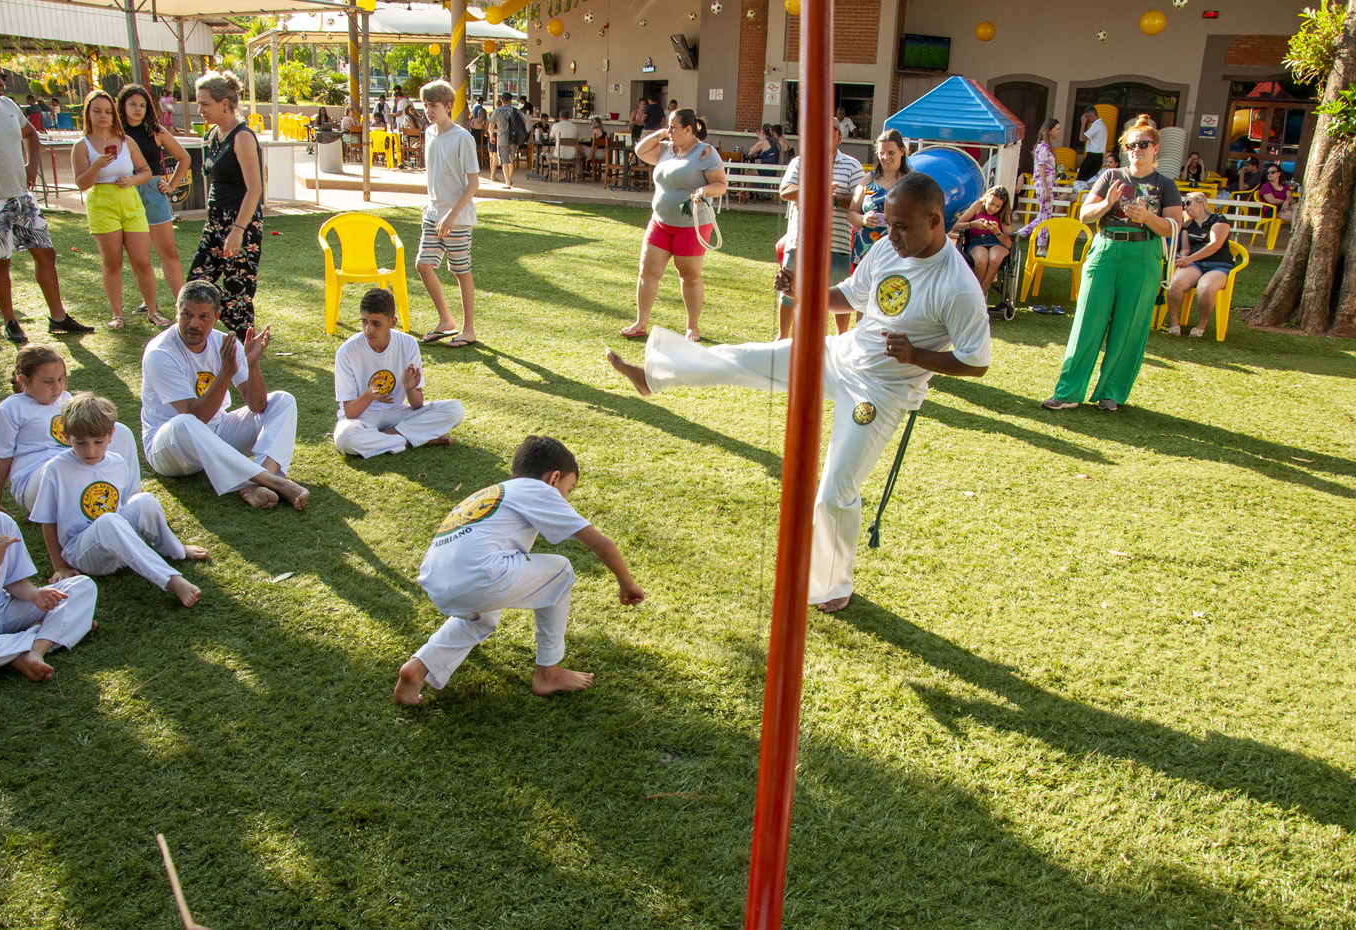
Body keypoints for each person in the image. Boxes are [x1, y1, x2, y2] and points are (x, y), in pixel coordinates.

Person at [607, 172, 991, 613]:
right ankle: (653, 375)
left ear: (935, 221)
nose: (891, 236)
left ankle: (832, 584)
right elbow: (850, 295)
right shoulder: (888, 249)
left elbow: (976, 362)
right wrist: (803, 291)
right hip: (840, 354)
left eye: (901, 227)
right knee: (746, 356)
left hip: (881, 391)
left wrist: (917, 355)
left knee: (834, 490)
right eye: (887, 224)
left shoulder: (958, 286)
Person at [394, 435, 644, 704]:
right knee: (561, 572)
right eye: (569, 490)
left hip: (437, 579)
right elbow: (602, 544)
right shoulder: (540, 491)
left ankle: (418, 667)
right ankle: (548, 673)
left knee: (483, 619)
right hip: (479, 576)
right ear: (554, 478)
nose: (566, 498)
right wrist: (626, 583)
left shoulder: (492, 492)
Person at [1042, 114, 1184, 412]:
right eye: (1131, 145)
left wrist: (1147, 217)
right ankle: (1068, 392)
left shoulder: (1165, 184)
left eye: (1143, 144)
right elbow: (1085, 215)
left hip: (1144, 254)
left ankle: (1112, 392)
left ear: (1156, 148)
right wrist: (1108, 203)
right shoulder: (1110, 176)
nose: (1137, 149)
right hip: (1106, 249)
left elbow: (1173, 227)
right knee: (1087, 322)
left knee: (1130, 326)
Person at [140, 280, 307, 510]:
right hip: (171, 448)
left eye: (203, 317)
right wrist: (226, 373)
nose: (193, 324)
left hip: (216, 432)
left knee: (283, 401)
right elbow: (195, 417)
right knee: (184, 422)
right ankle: (272, 481)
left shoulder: (224, 342)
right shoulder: (160, 353)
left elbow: (257, 406)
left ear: (216, 317)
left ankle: (258, 483)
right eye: (187, 314)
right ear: (177, 311)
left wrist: (252, 365)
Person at [30, 393, 206, 607]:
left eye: (98, 441)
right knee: (108, 521)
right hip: (82, 552)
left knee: (144, 501)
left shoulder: (117, 462)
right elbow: (47, 522)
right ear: (66, 437)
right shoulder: (55, 469)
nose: (90, 450)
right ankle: (172, 580)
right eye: (81, 443)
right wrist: (60, 566)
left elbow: (124, 507)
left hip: (115, 542)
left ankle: (174, 549)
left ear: (110, 435)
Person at [0, 51, 95, 346]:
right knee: (0, 261)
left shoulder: (8, 106)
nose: (1, 81)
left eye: (2, 75)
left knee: (46, 254)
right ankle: (10, 321)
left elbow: (30, 134)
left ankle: (58, 318)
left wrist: (32, 165)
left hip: (22, 196)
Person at [0, 442, 97, 682]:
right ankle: (45, 635)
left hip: (3, 610)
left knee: (81, 587)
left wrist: (35, 595)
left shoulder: (3, 523)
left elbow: (13, 580)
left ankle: (34, 651)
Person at [619, 108, 727, 342]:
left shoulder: (706, 153)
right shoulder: (666, 149)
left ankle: (692, 328)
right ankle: (641, 323)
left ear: (688, 129)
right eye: (667, 126)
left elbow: (721, 184)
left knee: (689, 276)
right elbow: (640, 150)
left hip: (691, 225)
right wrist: (660, 134)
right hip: (660, 222)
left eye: (672, 127)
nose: (669, 131)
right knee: (647, 272)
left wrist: (704, 190)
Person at [0, 345, 140, 511]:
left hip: (75, 463)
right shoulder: (11, 408)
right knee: (62, 464)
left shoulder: (66, 399)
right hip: (36, 479)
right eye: (48, 382)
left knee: (120, 431)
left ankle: (130, 501)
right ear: (24, 380)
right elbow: (1, 458)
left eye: (60, 379)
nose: (57, 387)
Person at [71, 89, 165, 330]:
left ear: (114, 114)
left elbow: (146, 172)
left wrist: (132, 179)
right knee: (112, 263)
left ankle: (152, 311)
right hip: (102, 203)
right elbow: (81, 183)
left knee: (142, 262)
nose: (103, 116)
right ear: (88, 114)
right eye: (97, 111)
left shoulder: (126, 141)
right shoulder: (82, 145)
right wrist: (97, 166)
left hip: (130, 202)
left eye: (107, 111)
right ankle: (117, 315)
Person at [334, 288, 465, 457]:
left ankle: (385, 438)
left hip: (397, 413)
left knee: (455, 410)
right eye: (364, 322)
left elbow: (417, 405)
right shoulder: (347, 351)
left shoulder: (408, 344)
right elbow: (350, 412)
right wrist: (369, 395)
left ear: (393, 323)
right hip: (361, 418)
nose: (368, 330)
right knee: (345, 439)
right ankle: (413, 439)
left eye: (376, 323)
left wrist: (410, 389)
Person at [186, 71, 263, 339]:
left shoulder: (242, 137)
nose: (200, 110)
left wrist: (238, 230)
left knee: (237, 296)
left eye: (204, 104)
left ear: (224, 104)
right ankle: (203, 338)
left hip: (240, 223)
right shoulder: (214, 134)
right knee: (196, 284)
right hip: (216, 222)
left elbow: (255, 188)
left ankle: (246, 350)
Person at [775, 118, 866, 339]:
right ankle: (782, 337)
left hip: (837, 243)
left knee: (841, 292)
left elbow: (858, 201)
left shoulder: (852, 166)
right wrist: (815, 189)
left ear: (840, 137)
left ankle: (841, 338)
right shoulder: (800, 162)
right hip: (800, 241)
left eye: (831, 133)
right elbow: (785, 192)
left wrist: (832, 198)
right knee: (789, 289)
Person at [416, 79, 481, 349]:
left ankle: (469, 329)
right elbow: (437, 173)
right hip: (434, 214)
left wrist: (452, 215)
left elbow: (473, 183)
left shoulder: (463, 138)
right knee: (423, 265)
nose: (428, 111)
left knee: (461, 271)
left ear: (449, 106)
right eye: (426, 105)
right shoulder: (429, 133)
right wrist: (430, 203)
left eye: (433, 105)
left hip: (458, 218)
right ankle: (446, 320)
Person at [118, 84, 190, 315]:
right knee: (138, 257)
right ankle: (148, 302)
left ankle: (182, 304)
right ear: (123, 106)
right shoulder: (116, 132)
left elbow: (184, 158)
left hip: (152, 192)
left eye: (142, 105)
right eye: (132, 104)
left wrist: (171, 185)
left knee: (168, 252)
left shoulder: (156, 131)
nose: (137, 109)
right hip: (126, 192)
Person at [1165, 191, 1235, 337]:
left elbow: (1215, 245)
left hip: (1218, 264)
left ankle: (1201, 325)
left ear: (1201, 202)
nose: (1186, 207)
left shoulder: (1218, 219)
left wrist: (1189, 259)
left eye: (1188, 203)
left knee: (1205, 287)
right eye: (1184, 205)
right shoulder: (1187, 226)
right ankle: (1174, 321)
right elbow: (1186, 249)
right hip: (1195, 264)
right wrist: (1181, 258)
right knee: (1175, 282)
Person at [849, 128, 910, 270]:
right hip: (866, 253)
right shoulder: (867, 180)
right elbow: (851, 213)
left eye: (891, 152)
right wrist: (863, 219)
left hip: (898, 253)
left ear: (902, 151)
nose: (886, 157)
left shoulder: (912, 181)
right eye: (882, 153)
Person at [952, 185, 1014, 301]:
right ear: (986, 198)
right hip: (977, 241)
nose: (993, 208)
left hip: (997, 241)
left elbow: (1008, 243)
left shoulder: (1004, 213)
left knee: (995, 258)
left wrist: (997, 232)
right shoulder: (978, 205)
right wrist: (973, 224)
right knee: (981, 259)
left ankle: (980, 295)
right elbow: (956, 226)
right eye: (991, 203)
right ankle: (975, 292)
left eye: (997, 206)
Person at [1020, 118, 1060, 250]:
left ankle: (1037, 242)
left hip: (1046, 184)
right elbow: (1041, 168)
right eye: (1057, 129)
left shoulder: (1046, 147)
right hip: (1044, 185)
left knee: (1045, 216)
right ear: (1049, 131)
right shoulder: (1044, 147)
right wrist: (1047, 189)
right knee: (1044, 216)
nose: (1059, 132)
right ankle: (1028, 237)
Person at [488, 91, 521, 189]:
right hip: (513, 138)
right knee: (511, 160)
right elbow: (522, 122)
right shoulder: (515, 111)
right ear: (510, 100)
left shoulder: (497, 111)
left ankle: (507, 182)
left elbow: (491, 125)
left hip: (502, 138)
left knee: (504, 162)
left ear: (502, 100)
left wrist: (491, 136)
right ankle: (509, 179)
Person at [1078, 106, 1108, 182]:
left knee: (1081, 179)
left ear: (1090, 116)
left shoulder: (1096, 125)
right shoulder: (1101, 125)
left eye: (1087, 118)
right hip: (1097, 156)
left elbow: (1082, 138)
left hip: (1093, 155)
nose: (1087, 120)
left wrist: (1083, 123)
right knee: (1089, 179)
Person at [546, 107, 579, 175]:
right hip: (572, 155)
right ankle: (563, 173)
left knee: (548, 156)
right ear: (568, 117)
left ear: (560, 117)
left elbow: (550, 138)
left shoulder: (556, 126)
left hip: (560, 154)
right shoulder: (575, 127)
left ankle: (561, 174)